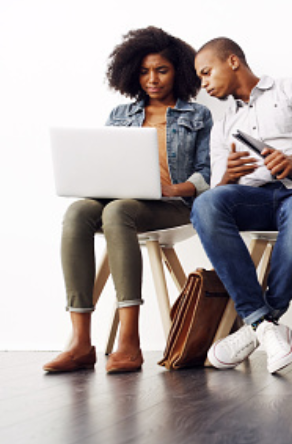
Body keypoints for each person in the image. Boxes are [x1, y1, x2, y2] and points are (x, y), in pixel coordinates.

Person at [44, 27, 212, 373]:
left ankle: (129, 339)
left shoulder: (198, 116)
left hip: (173, 206)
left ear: (177, 71)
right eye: (144, 71)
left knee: (119, 212)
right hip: (121, 198)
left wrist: (177, 188)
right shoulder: (120, 115)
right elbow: (105, 162)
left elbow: (209, 170)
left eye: (161, 70)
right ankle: (79, 342)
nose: (152, 79)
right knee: (77, 211)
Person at [191, 38, 292, 374]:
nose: (204, 84)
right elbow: (217, 191)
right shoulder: (223, 124)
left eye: (206, 73)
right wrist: (227, 174)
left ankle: (259, 324)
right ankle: (266, 324)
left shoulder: (291, 90)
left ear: (232, 61)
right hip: (252, 198)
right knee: (205, 205)